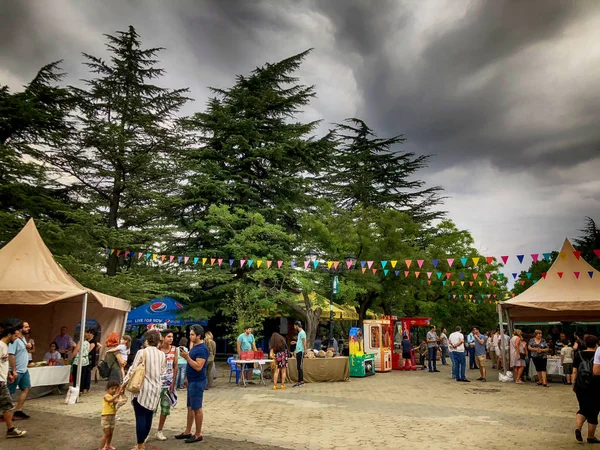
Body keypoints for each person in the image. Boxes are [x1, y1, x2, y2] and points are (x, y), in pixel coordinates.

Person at [121, 329, 166, 450]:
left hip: (142, 388)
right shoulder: (162, 354)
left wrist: (123, 384)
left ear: (146, 340)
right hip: (156, 388)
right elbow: (163, 372)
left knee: (140, 417)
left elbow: (132, 370)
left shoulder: (142, 352)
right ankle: (142, 442)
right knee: (149, 416)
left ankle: (140, 444)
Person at [176, 324, 208, 444]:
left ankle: (198, 433)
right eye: (190, 334)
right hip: (192, 380)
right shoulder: (194, 346)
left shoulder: (202, 349)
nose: (190, 336)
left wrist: (186, 357)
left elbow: (198, 366)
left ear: (199, 336)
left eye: (192, 334)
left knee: (197, 408)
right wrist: (186, 378)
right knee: (190, 407)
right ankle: (187, 431)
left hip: (198, 381)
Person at [1, 326, 27, 438]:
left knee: (7, 405)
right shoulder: (0, 346)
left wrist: (9, 374)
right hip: (0, 382)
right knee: (7, 405)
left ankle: (11, 429)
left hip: (2, 379)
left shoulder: (5, 346)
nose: (16, 338)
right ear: (9, 334)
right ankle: (11, 429)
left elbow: (3, 363)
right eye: (15, 336)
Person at [574, 335, 600, 443]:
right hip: (596, 385)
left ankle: (578, 428)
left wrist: (574, 384)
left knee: (583, 408)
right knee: (594, 411)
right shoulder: (598, 354)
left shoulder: (578, 354)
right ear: (596, 344)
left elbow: (575, 370)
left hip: (581, 385)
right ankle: (590, 436)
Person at [155, 329, 178, 441]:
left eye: (172, 336)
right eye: (168, 336)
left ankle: (159, 430)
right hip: (156, 382)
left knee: (165, 408)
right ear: (163, 338)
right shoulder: (157, 349)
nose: (171, 339)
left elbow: (175, 366)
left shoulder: (174, 349)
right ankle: (145, 431)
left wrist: (174, 382)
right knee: (151, 408)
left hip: (168, 383)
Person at [8, 322, 31, 419]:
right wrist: (13, 370)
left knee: (27, 388)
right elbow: (11, 355)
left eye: (28, 327)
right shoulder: (15, 340)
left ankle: (18, 410)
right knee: (8, 392)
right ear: (20, 328)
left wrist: (28, 347)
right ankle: (4, 412)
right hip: (16, 370)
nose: (28, 328)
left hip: (24, 370)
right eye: (26, 327)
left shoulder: (23, 339)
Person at [100, 380, 121, 450]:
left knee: (111, 433)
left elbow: (116, 401)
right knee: (106, 434)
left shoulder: (114, 396)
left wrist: (119, 394)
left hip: (112, 416)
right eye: (112, 388)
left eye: (115, 388)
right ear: (107, 389)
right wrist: (117, 395)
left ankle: (108, 445)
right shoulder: (106, 396)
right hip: (106, 417)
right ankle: (101, 448)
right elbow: (109, 400)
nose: (114, 390)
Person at [72, 330, 94, 394]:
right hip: (85, 361)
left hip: (78, 361)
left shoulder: (79, 343)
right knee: (83, 375)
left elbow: (74, 353)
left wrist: (74, 347)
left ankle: (76, 388)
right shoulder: (88, 343)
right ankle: (81, 389)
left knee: (76, 375)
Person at [293, 321, 306, 387]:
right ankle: (299, 380)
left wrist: (305, 351)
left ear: (297, 325)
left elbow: (304, 342)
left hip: (301, 351)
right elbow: (300, 342)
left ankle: (301, 381)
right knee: (298, 366)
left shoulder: (302, 333)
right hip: (298, 351)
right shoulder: (300, 333)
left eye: (295, 326)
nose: (294, 327)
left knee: (300, 366)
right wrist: (295, 342)